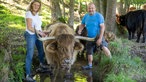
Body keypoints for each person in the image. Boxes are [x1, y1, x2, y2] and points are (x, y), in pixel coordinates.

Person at [78, 2, 112, 70]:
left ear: (95, 9)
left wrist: (100, 38)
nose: (91, 9)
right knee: (89, 51)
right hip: (89, 37)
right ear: (87, 9)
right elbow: (82, 24)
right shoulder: (86, 16)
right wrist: (80, 30)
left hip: (98, 36)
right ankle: (90, 65)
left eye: (92, 8)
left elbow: (102, 27)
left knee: (104, 47)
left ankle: (111, 62)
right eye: (89, 8)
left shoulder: (99, 16)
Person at [24, 0, 47, 81]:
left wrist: (43, 32)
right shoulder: (28, 13)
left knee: (41, 49)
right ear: (31, 5)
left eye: (38, 5)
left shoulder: (37, 15)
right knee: (30, 53)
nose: (36, 6)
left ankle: (41, 65)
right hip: (30, 35)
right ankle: (28, 75)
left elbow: (38, 27)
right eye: (35, 5)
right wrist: (39, 33)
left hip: (37, 34)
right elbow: (30, 27)